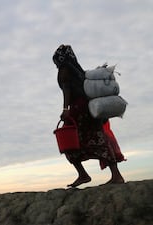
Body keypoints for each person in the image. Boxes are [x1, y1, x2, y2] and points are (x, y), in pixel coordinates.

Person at [53, 44, 125, 188]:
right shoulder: (79, 70)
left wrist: (65, 109)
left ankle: (84, 175)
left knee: (69, 143)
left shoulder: (64, 69)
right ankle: (115, 175)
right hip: (89, 110)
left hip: (78, 111)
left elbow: (67, 90)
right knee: (98, 139)